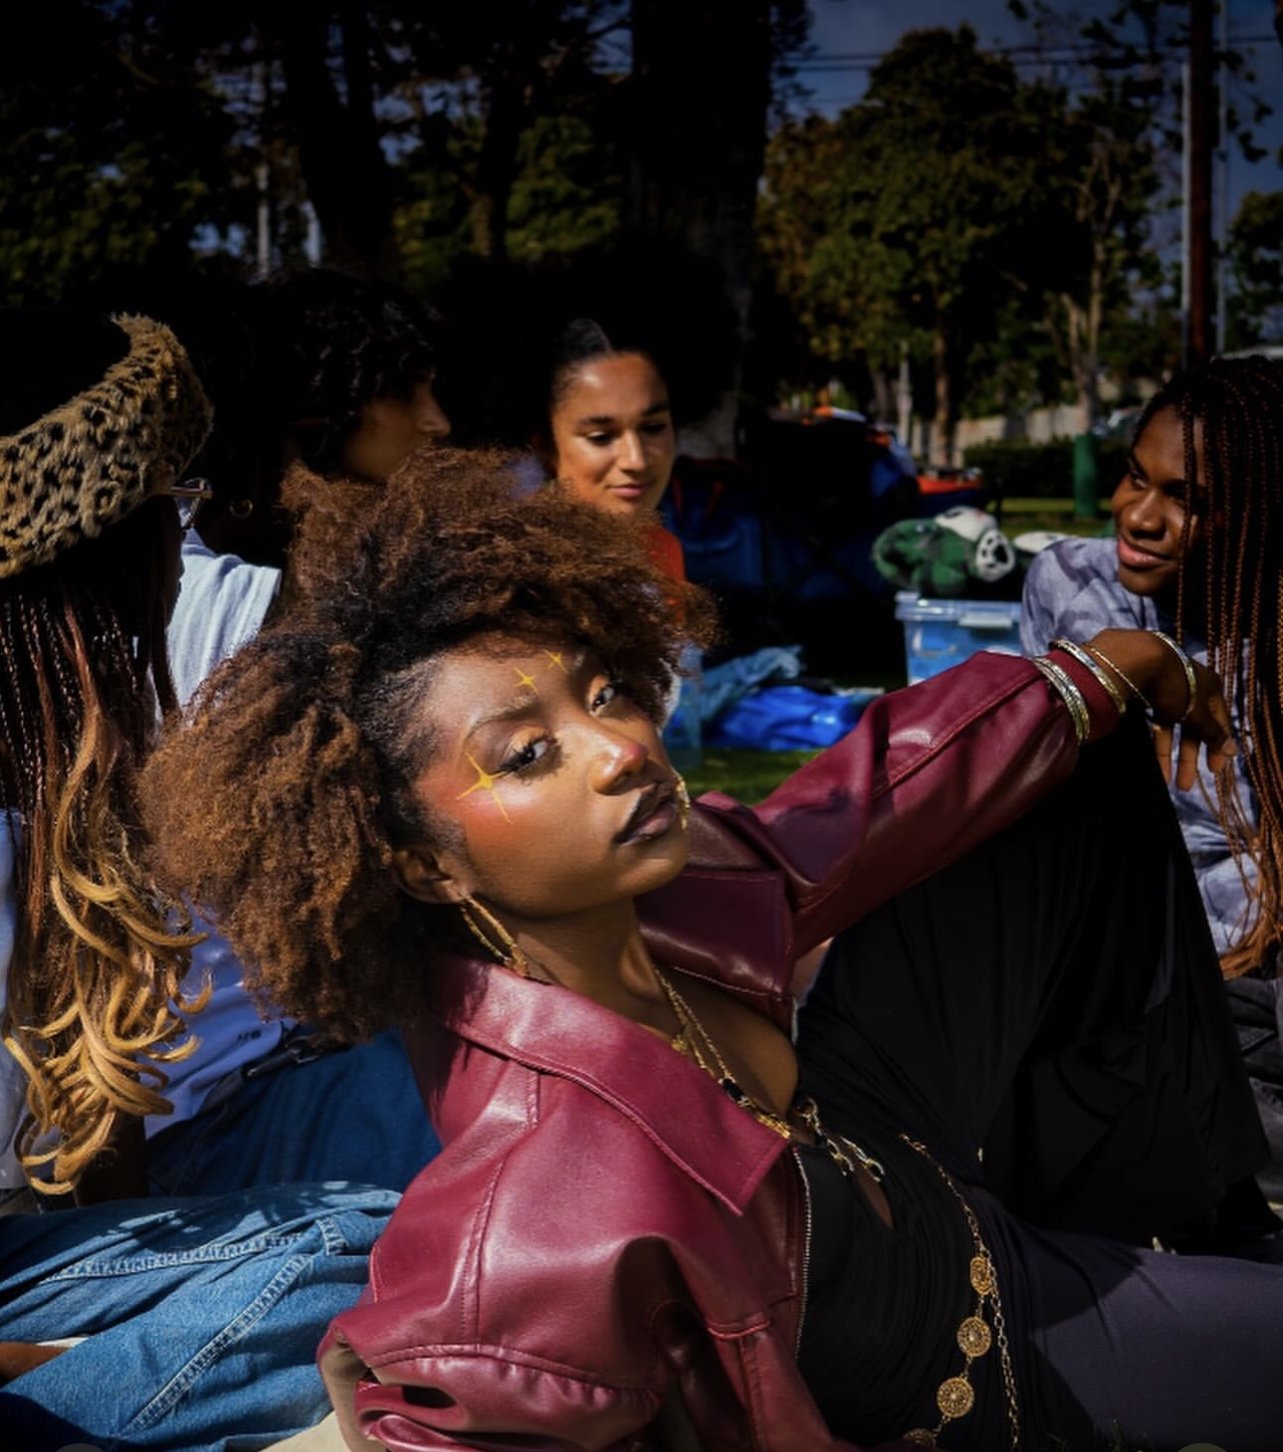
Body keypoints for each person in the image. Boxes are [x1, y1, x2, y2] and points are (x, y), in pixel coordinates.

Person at [142, 448, 1279, 1452]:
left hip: (894, 1149)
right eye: (527, 755)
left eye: (602, 696)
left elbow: (868, 801)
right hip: (968, 1356)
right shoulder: (537, 1218)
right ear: (426, 866)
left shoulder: (664, 888)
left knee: (1064, 766)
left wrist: (1109, 667)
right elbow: (458, 1380)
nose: (620, 751)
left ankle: (1175, 1195)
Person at [0, 311, 396, 1451]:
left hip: (52, 1259)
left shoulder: (63, 792)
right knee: (382, 1258)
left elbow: (98, 1153)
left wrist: (155, 1291)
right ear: (82, 578)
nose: (185, 548)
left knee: (469, 1201)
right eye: (162, 516)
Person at [145, 269, 449, 1197]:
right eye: (407, 393)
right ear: (316, 421)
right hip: (233, 1114)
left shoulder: (216, 586)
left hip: (296, 1066)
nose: (436, 424)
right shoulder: (238, 607)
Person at [1022, 354, 1283, 1212]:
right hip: (1099, 981)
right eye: (1137, 478)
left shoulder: (1272, 643)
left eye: (1188, 500)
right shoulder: (1069, 585)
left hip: (1242, 1005)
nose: (1139, 516)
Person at [533, 317, 686, 584]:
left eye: (653, 428)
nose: (636, 460)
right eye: (601, 437)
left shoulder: (662, 551)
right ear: (546, 448)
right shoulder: (519, 570)